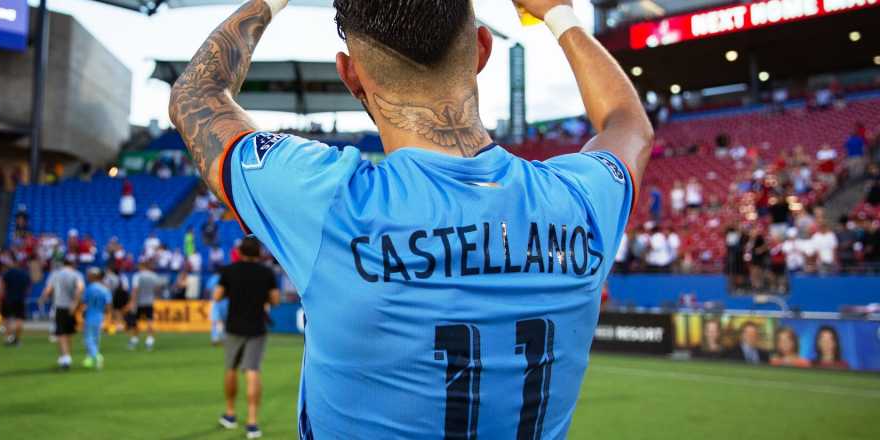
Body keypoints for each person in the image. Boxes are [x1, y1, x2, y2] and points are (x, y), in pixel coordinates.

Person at [169, 0, 652, 437]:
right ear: (483, 48)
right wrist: (558, 15)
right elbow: (629, 124)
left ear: (350, 75)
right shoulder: (578, 201)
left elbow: (197, 93)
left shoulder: (325, 198)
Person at [213, 238, 280, 438]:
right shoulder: (266, 273)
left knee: (231, 369)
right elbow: (275, 300)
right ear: (259, 254)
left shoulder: (229, 271)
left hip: (234, 327)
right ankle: (252, 422)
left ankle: (231, 414)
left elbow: (217, 296)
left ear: (239, 252)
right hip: (257, 328)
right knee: (252, 371)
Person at [39, 259, 84, 370]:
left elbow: (48, 289)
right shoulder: (76, 274)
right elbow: (80, 287)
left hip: (60, 306)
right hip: (72, 307)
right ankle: (67, 355)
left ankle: (65, 357)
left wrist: (42, 298)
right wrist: (75, 302)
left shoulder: (55, 274)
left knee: (61, 333)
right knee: (68, 333)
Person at [127, 260, 164, 351]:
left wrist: (132, 302)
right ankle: (150, 340)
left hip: (139, 302)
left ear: (142, 266)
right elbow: (158, 289)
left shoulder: (137, 276)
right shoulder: (154, 276)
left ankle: (134, 339)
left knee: (135, 322)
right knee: (150, 321)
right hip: (149, 301)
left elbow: (135, 290)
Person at [81, 268, 112, 370]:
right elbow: (108, 306)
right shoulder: (105, 289)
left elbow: (84, 303)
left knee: (88, 339)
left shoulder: (89, 288)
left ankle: (96, 356)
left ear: (94, 276)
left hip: (90, 315)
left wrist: (83, 313)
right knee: (96, 338)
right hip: (100, 316)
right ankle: (90, 359)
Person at [0, 261, 32, 346]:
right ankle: (16, 339)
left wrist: (1, 297)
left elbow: (2, 287)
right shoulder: (25, 274)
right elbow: (29, 289)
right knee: (19, 319)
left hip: (8, 299)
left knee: (6, 319)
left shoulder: (7, 273)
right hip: (20, 299)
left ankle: (8, 338)